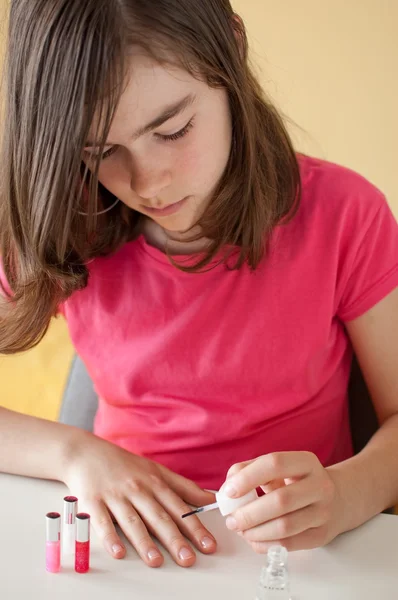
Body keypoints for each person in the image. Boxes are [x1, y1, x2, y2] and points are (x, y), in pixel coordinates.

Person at [1, 0, 398, 571]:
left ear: (231, 49)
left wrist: (345, 494)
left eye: (172, 129)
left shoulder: (345, 216)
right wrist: (73, 452)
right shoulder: (63, 221)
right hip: (131, 560)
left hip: (302, 560)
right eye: (101, 153)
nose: (146, 183)